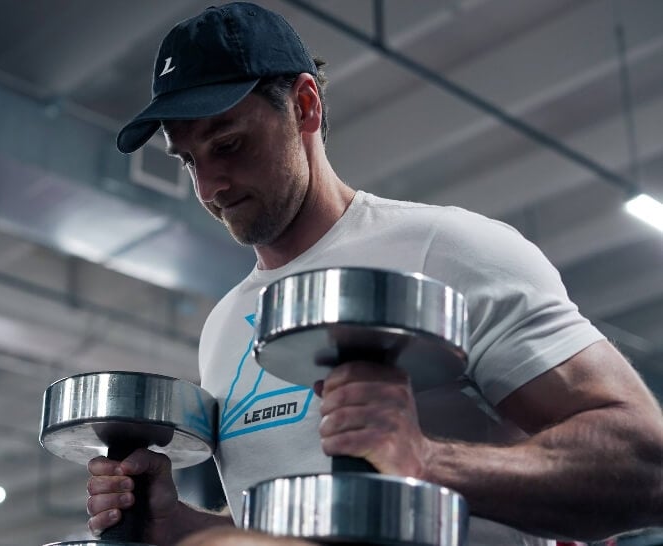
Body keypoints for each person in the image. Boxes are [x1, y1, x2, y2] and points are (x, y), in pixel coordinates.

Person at [87, 2, 663, 545]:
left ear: (305, 105)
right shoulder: (226, 328)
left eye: (230, 144)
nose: (210, 187)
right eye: (188, 161)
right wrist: (183, 528)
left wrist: (429, 461)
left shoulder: (447, 250)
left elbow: (647, 467)